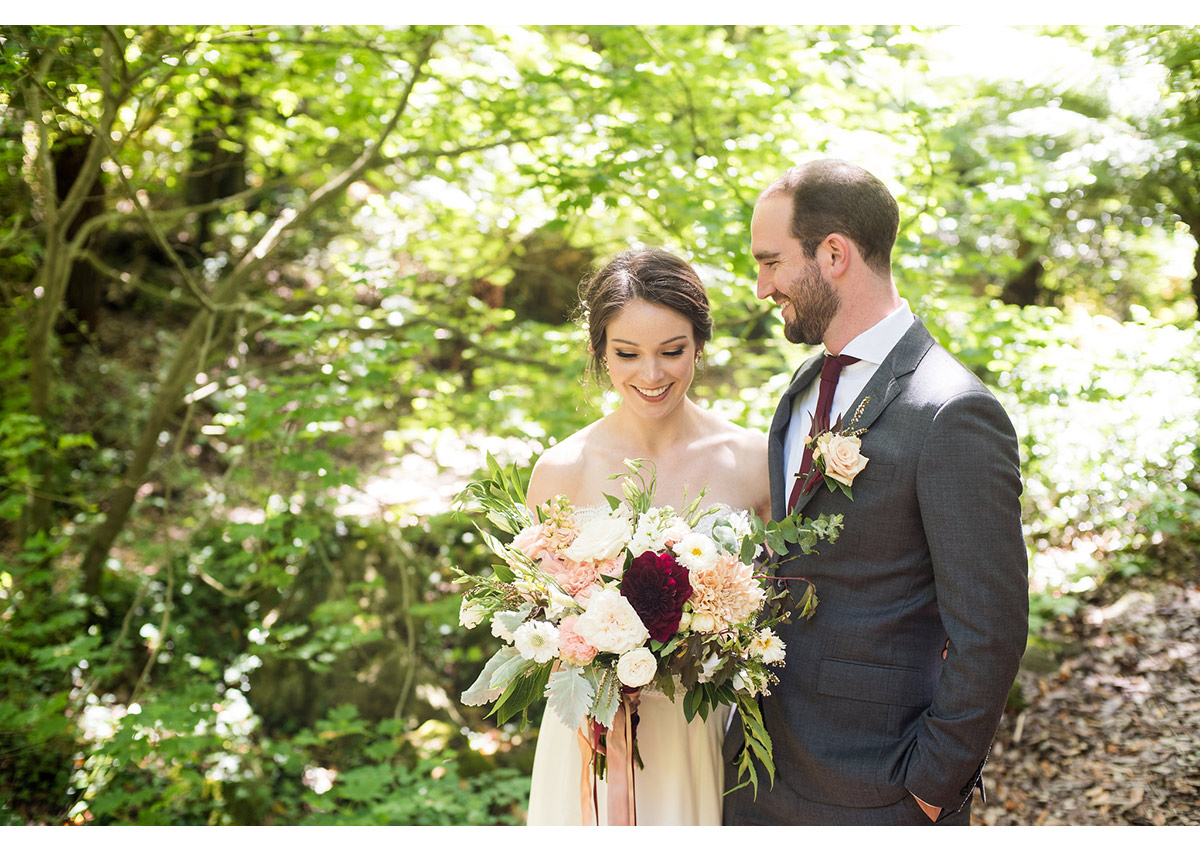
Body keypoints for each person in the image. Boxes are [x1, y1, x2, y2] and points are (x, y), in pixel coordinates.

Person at [722, 158, 1029, 825]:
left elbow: (992, 630)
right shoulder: (800, 390)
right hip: (754, 777)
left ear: (833, 253)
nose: (761, 286)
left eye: (771, 262)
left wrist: (929, 786)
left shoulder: (951, 411)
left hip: (879, 792)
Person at [524, 248, 769, 825]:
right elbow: (539, 618)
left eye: (672, 351)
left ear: (700, 345)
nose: (651, 375)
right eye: (627, 354)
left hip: (701, 731)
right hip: (588, 738)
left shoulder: (752, 460)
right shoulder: (562, 469)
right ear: (600, 352)